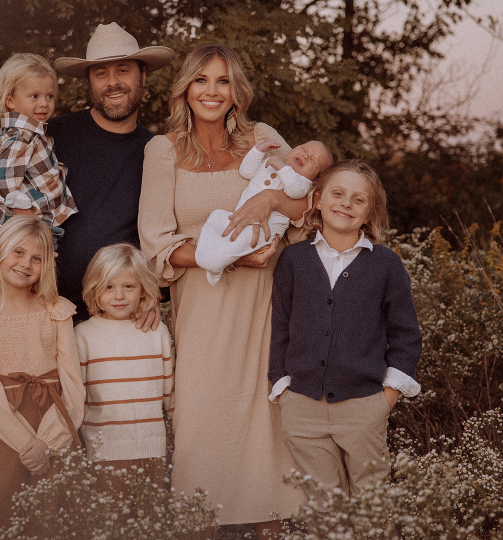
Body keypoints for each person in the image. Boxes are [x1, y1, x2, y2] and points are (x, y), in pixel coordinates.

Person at [138, 43, 308, 537]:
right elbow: (156, 242)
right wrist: (229, 257)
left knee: (267, 440)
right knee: (199, 439)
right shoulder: (162, 149)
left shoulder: (264, 138)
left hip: (263, 311)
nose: (212, 91)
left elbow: (307, 206)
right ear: (185, 89)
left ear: (237, 91)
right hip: (201, 314)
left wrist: (273, 198)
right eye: (201, 80)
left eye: (223, 81)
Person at [0, 22, 174, 324]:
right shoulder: (48, 136)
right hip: (33, 309)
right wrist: (20, 266)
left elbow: (159, 238)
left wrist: (153, 294)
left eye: (123, 70)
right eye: (101, 73)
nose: (113, 82)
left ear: (142, 75)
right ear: (90, 81)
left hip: (108, 317)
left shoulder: (156, 153)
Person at [268, 160, 423, 498]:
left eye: (358, 200)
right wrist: (282, 386)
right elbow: (280, 324)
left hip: (364, 405)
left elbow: (405, 333)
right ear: (319, 200)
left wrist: (388, 396)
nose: (346, 204)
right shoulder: (294, 259)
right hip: (302, 406)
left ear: (369, 214)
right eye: (337, 194)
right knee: (325, 505)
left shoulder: (386, 264)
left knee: (372, 500)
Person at [0, 216, 85, 540]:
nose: (26, 263)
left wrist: (47, 444)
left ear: (46, 265)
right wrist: (28, 446)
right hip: (3, 430)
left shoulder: (56, 309)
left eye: (37, 258)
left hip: (55, 423)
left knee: (56, 518)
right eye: (18, 253)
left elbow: (74, 385)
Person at [76, 243, 173, 479]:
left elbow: (170, 395)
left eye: (128, 286)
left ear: (142, 289)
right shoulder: (83, 335)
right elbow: (76, 397)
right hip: (103, 453)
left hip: (153, 450)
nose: (118, 296)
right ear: (94, 290)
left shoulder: (156, 331)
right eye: (108, 287)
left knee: (149, 514)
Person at [195, 138, 333, 285]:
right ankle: (208, 255)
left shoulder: (303, 183)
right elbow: (246, 171)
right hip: (239, 218)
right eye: (303, 149)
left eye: (313, 161)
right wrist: (258, 150)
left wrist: (281, 167)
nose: (305, 156)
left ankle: (215, 265)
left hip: (263, 230)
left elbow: (295, 191)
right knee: (217, 216)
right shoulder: (270, 164)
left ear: (317, 179)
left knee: (242, 239)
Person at [0, 53, 76, 245]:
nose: (44, 103)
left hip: (38, 220)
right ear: (10, 101)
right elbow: (3, 180)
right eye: (34, 96)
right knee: (37, 266)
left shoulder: (31, 132)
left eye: (49, 96)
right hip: (30, 221)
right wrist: (25, 214)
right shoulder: (22, 135)